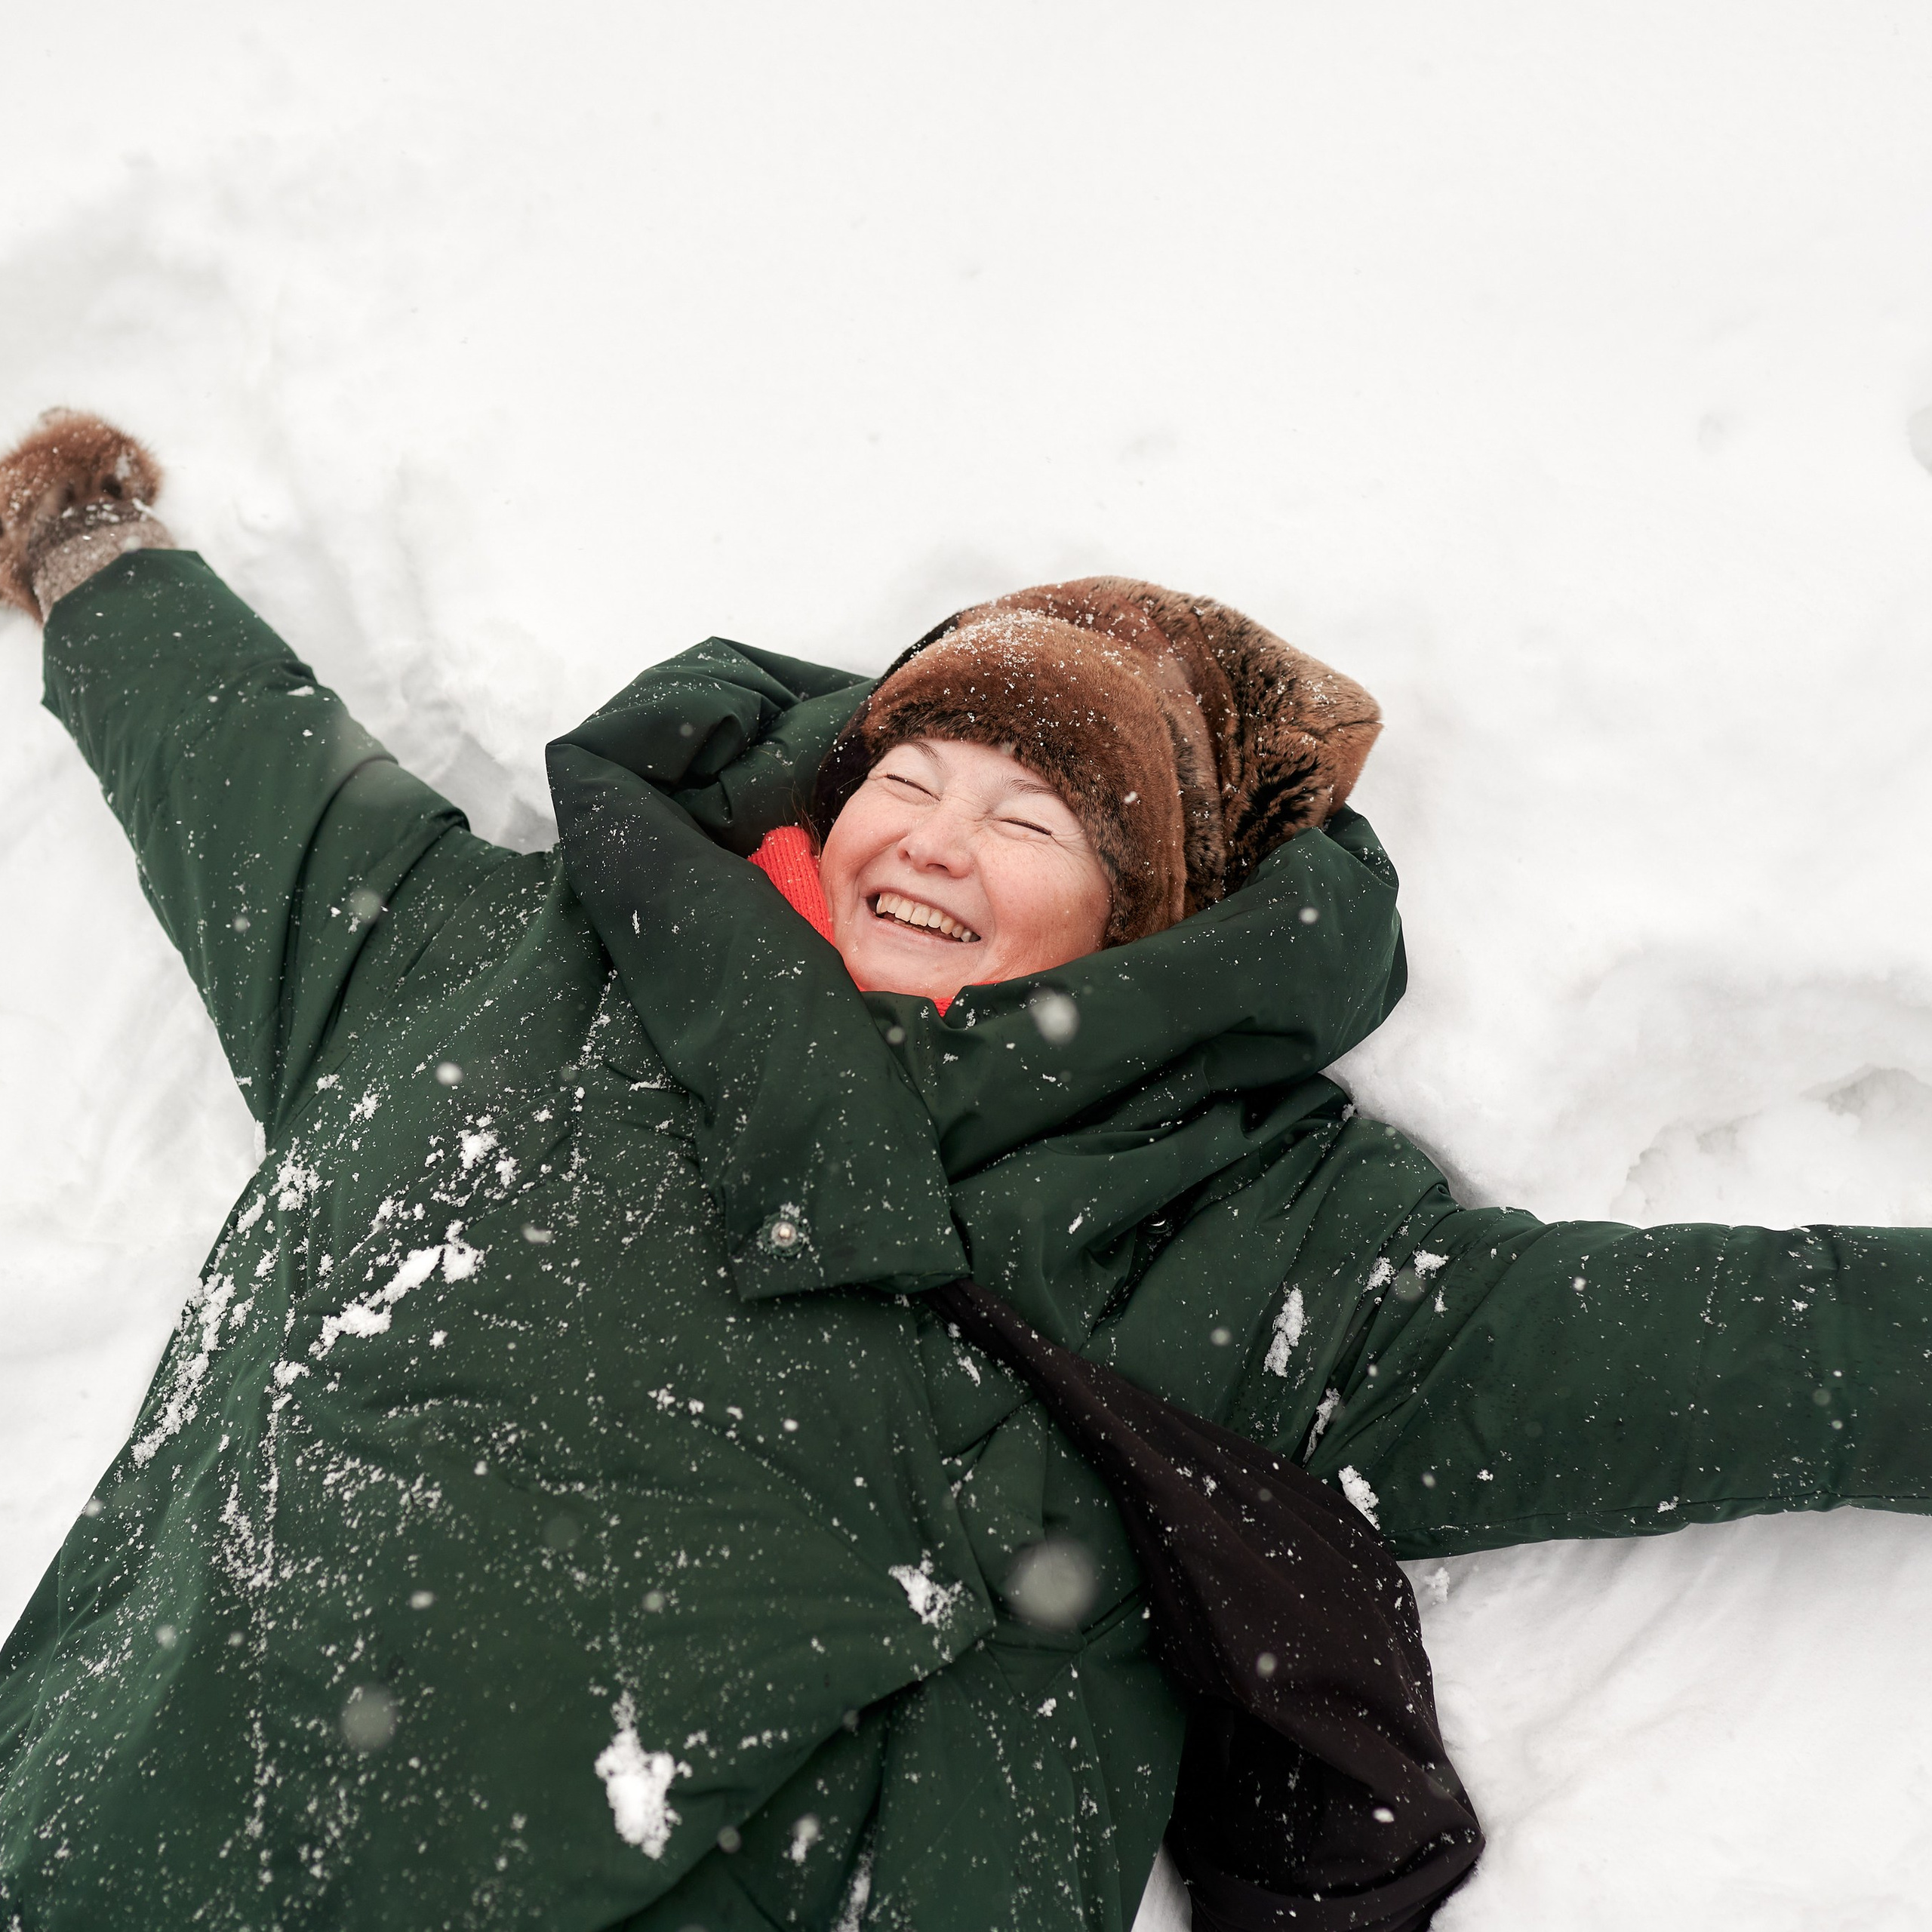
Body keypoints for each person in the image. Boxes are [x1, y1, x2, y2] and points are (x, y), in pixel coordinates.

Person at [1, 411, 1928, 1932]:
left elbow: (1736, 1350)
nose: (930, 836)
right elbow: (238, 768)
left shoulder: (1230, 1227)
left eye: (1029, 818)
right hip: (114, 1841)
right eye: (906, 778)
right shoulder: (507, 962)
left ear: (1135, 920)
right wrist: (91, 549)